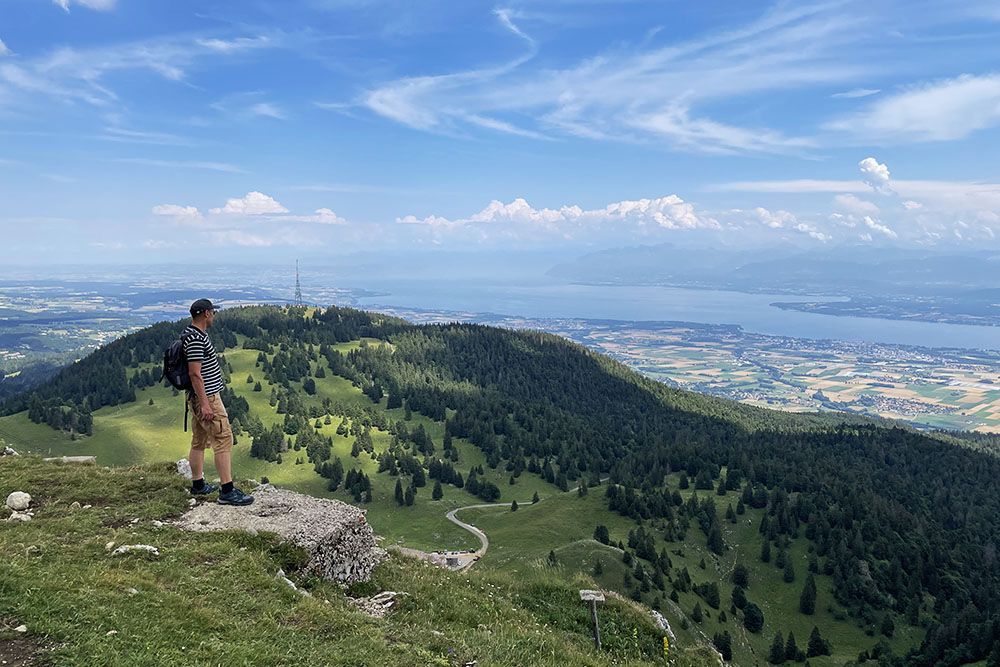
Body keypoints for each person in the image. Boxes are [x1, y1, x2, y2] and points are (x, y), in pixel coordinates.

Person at [184, 298, 254, 506]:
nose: (213, 316)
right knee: (223, 439)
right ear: (206, 313)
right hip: (207, 398)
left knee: (199, 440)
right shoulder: (197, 338)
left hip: (196, 397)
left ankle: (198, 485)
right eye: (212, 312)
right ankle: (227, 491)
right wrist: (205, 403)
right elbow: (195, 374)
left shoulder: (189, 333)